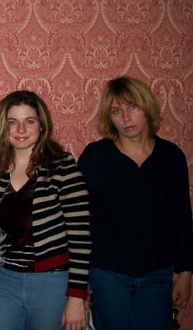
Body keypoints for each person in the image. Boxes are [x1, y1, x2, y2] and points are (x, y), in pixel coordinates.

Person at [78, 76, 193, 330]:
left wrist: (186, 271)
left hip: (157, 273)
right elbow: (81, 221)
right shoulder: (95, 157)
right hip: (107, 274)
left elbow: (182, 217)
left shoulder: (171, 156)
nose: (126, 118)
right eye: (117, 111)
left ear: (147, 108)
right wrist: (80, 280)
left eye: (132, 107)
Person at [0, 90, 91, 330]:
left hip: (52, 283)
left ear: (41, 126)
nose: (21, 129)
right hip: (5, 282)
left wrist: (76, 296)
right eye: (13, 122)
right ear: (3, 126)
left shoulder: (63, 167)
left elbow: (80, 236)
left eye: (29, 121)